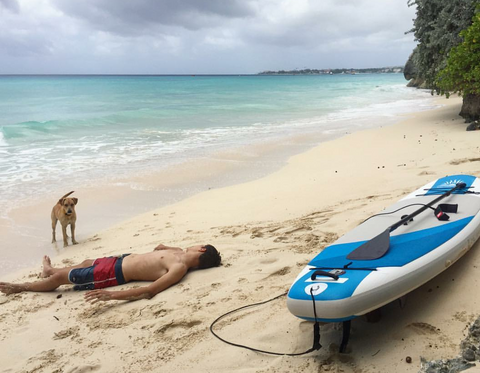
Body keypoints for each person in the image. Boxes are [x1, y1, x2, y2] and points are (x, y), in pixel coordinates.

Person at [0, 244, 221, 303]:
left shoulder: (179, 269)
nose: (191, 245)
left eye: (197, 245)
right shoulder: (179, 252)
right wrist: (163, 247)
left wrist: (112, 295)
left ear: (201, 249)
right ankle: (51, 270)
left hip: (116, 273)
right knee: (87, 262)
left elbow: (150, 290)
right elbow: (162, 251)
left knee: (61, 280)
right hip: (122, 258)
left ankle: (20, 287)